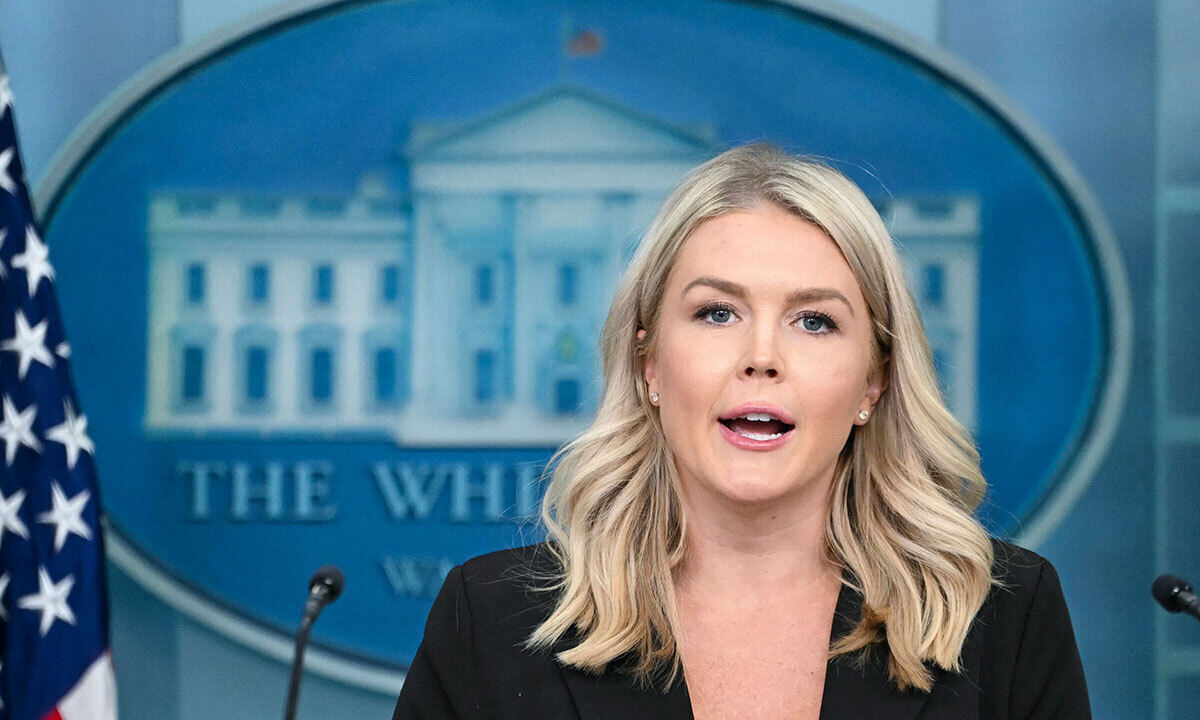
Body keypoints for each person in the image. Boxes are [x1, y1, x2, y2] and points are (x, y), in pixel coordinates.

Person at [392, 144, 1091, 719]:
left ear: (872, 382)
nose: (762, 356)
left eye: (814, 321)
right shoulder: (489, 620)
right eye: (717, 313)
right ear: (649, 364)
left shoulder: (1005, 617)